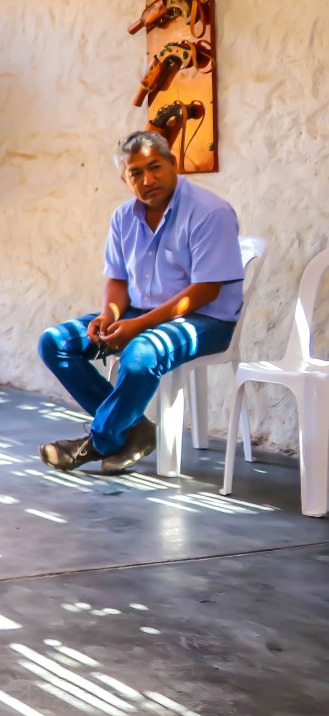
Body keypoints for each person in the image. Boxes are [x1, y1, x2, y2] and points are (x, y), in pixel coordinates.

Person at [38, 130, 245, 474]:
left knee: (140, 354)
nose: (148, 180)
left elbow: (206, 290)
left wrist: (138, 326)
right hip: (141, 313)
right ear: (125, 178)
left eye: (155, 167)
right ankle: (133, 429)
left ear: (172, 164)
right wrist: (110, 315)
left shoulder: (210, 212)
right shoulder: (123, 217)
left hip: (206, 320)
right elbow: (118, 279)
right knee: (55, 343)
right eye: (136, 173)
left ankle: (98, 442)